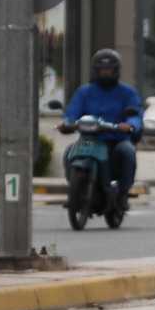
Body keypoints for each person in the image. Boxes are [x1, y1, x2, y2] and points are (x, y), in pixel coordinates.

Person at [60, 48, 143, 202]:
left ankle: (123, 192)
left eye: (109, 70)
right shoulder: (84, 92)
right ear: (95, 71)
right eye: (102, 70)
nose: (105, 73)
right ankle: (75, 189)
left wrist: (130, 125)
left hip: (115, 139)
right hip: (89, 140)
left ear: (116, 71)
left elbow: (136, 114)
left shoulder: (127, 92)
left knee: (127, 152)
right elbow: (72, 112)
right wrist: (66, 123)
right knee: (69, 152)